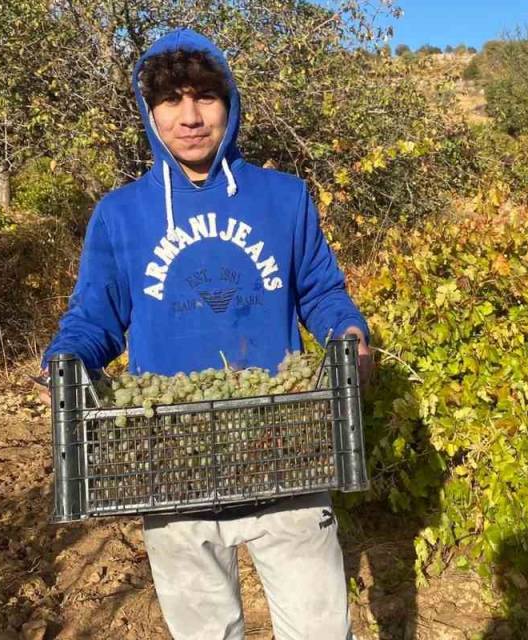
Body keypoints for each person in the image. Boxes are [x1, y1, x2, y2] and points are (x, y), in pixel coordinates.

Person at [37, 29, 372, 639]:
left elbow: (321, 293)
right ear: (148, 112)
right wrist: (66, 362)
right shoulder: (121, 213)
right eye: (171, 101)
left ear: (231, 104)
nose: (189, 117)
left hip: (283, 449)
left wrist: (349, 333)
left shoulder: (284, 198)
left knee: (321, 629)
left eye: (205, 98)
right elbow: (95, 319)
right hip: (171, 465)